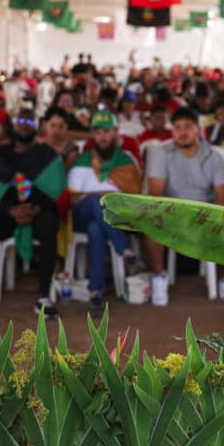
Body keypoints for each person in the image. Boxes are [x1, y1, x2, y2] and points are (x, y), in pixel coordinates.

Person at [146, 106, 224, 306]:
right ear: (172, 132)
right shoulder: (161, 154)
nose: (182, 132)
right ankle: (159, 277)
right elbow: (156, 195)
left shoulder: (213, 157)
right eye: (177, 128)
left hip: (207, 212)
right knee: (151, 216)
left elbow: (223, 198)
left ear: (197, 131)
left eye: (188, 127)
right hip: (173, 211)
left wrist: (212, 218)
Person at [0, 121, 65, 319]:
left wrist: (34, 209)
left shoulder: (47, 154)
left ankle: (44, 296)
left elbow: (55, 189)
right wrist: (12, 210)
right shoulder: (0, 154)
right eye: (21, 121)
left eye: (29, 122)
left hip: (39, 212)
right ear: (12, 126)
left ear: (36, 127)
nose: (25, 126)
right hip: (9, 214)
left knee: (49, 225)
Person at [68, 110, 142, 316]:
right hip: (82, 215)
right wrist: (100, 196)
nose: (102, 137)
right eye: (98, 132)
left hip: (116, 218)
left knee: (96, 229)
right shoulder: (82, 161)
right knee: (95, 201)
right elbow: (72, 200)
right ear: (92, 134)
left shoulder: (126, 162)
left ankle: (96, 293)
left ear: (116, 133)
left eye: (107, 132)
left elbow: (136, 200)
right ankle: (125, 250)